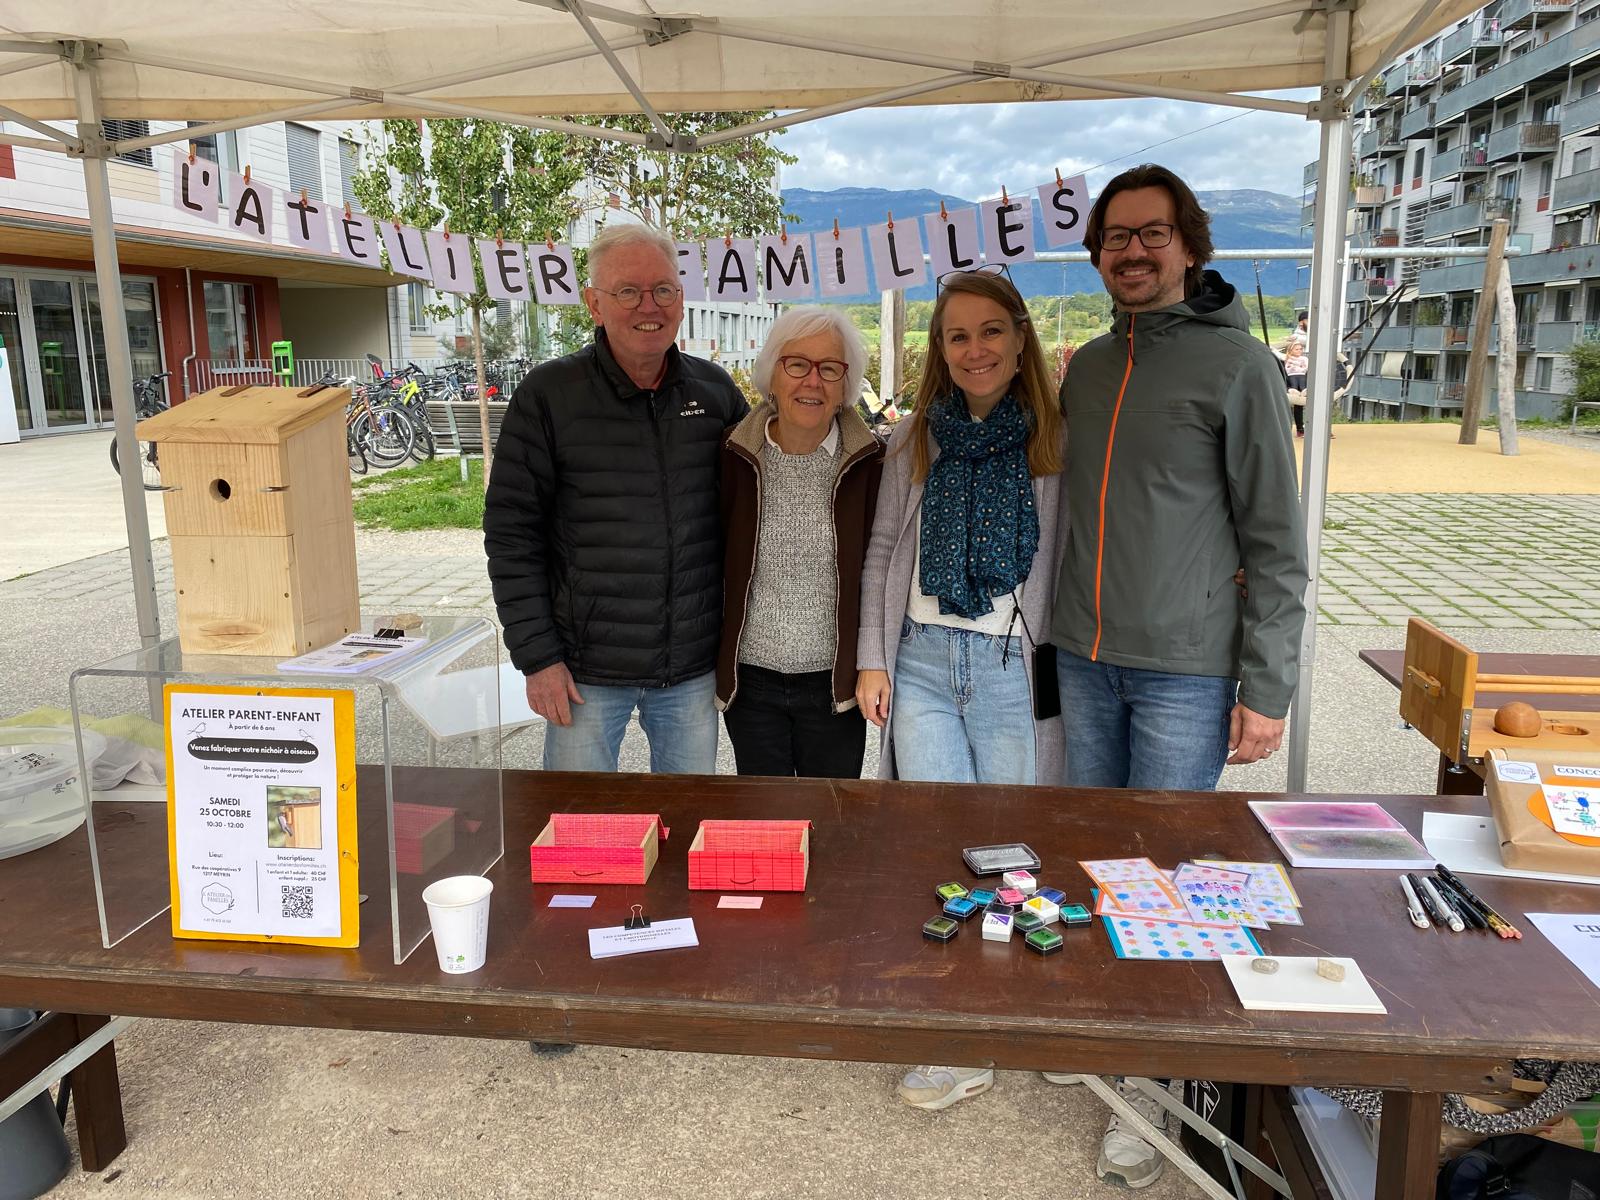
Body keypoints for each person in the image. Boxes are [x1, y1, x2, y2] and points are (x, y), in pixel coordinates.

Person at [1049, 163, 1309, 1188]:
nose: (1132, 252)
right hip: (1084, 654)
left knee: (1162, 887)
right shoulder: (1086, 368)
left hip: (1186, 672)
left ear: (1188, 245)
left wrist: (1267, 684)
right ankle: (1108, 1042)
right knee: (1096, 866)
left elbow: (1277, 543)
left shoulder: (1238, 366)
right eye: (1114, 238)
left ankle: (1154, 1089)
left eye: (1151, 234)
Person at [855, 266, 1067, 1114]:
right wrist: (874, 657)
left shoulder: (1057, 443)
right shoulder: (914, 441)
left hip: (1013, 667)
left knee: (1017, 844)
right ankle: (960, 1036)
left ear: (1020, 342)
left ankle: (1031, 1014)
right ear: (939, 352)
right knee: (944, 846)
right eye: (956, 335)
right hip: (922, 665)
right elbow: (878, 556)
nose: (974, 348)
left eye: (989, 331)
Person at [483, 223, 748, 774]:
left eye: (663, 290)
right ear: (595, 305)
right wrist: (539, 658)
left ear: (680, 299)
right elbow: (512, 537)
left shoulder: (716, 393)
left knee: (688, 824)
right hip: (584, 672)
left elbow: (757, 507)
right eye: (628, 291)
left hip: (691, 668)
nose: (648, 306)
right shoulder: (549, 396)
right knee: (580, 830)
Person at [716, 307, 885, 778]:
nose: (813, 381)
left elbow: (881, 570)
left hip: (834, 689)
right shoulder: (733, 455)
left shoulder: (871, 465)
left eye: (829, 368)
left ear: (845, 386)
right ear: (772, 374)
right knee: (766, 827)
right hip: (751, 686)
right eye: (797, 364)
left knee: (833, 822)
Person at [1284, 338, 1309, 437]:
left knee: (1301, 405)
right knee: (1293, 406)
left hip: (1302, 383)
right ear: (1291, 350)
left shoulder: (1305, 359)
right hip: (1291, 385)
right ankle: (1297, 429)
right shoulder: (1285, 359)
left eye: (1300, 349)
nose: (1299, 351)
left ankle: (1301, 428)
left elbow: (1306, 369)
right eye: (1296, 349)